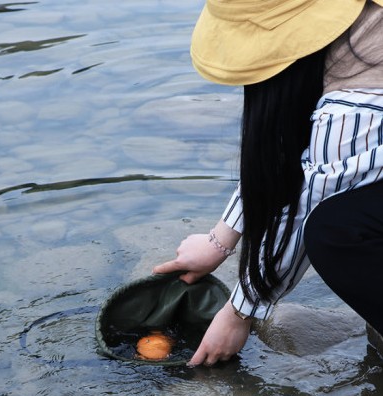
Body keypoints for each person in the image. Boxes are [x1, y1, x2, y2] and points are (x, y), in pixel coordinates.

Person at [153, 0, 383, 366]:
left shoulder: (359, 95)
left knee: (336, 231)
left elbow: (309, 199)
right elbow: (288, 158)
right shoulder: (352, 36)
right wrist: (218, 241)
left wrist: (239, 314)